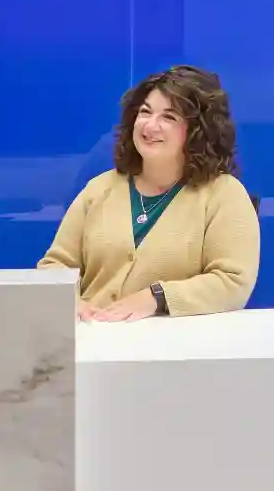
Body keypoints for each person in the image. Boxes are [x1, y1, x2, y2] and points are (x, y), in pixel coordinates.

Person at [39, 65, 261, 323]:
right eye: (145, 112)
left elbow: (233, 282)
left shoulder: (224, 194)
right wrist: (72, 301)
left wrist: (156, 298)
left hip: (175, 351)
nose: (150, 125)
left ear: (198, 130)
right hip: (93, 342)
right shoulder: (98, 189)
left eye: (169, 117)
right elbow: (54, 266)